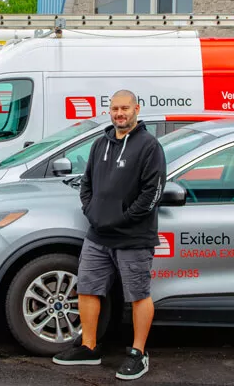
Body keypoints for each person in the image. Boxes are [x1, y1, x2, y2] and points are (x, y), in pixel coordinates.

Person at [52, 89, 166, 382]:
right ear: (109, 111)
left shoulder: (149, 146)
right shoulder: (99, 144)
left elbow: (152, 193)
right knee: (88, 288)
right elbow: (86, 183)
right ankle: (89, 346)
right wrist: (92, 213)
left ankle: (138, 353)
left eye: (125, 108)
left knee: (138, 294)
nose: (119, 113)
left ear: (137, 109)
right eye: (115, 108)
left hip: (133, 237)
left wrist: (122, 219)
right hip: (98, 235)